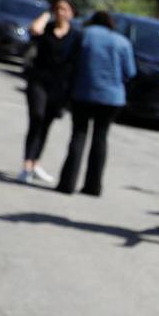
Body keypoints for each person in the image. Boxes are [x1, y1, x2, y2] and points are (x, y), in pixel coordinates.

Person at [55, 10, 134, 196]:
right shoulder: (122, 42)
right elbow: (130, 73)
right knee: (100, 138)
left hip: (83, 93)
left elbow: (67, 60)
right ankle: (93, 186)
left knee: (78, 135)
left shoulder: (84, 35)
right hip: (112, 98)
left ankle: (67, 183)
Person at [19, 0, 78, 185]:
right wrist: (47, 14)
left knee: (46, 124)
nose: (61, 12)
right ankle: (27, 166)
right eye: (58, 9)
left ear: (72, 13)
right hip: (39, 81)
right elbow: (34, 30)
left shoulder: (75, 35)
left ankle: (35, 163)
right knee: (36, 117)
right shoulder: (47, 28)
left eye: (64, 9)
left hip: (59, 87)